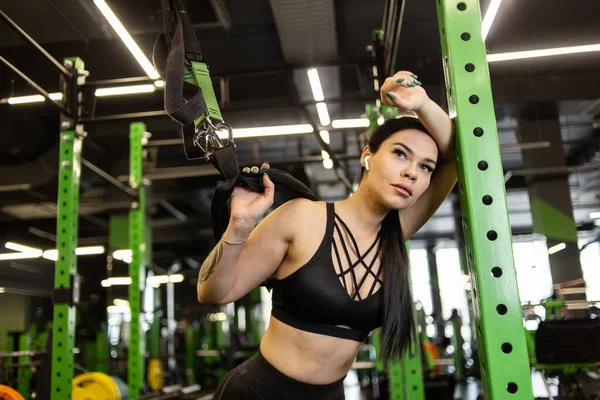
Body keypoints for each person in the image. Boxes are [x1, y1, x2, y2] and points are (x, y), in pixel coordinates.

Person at [197, 71, 457, 399]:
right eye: (400, 153)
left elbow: (457, 157)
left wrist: (421, 103)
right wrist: (238, 227)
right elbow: (213, 293)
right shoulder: (302, 217)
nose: (411, 172)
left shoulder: (393, 235)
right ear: (367, 156)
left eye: (425, 167)